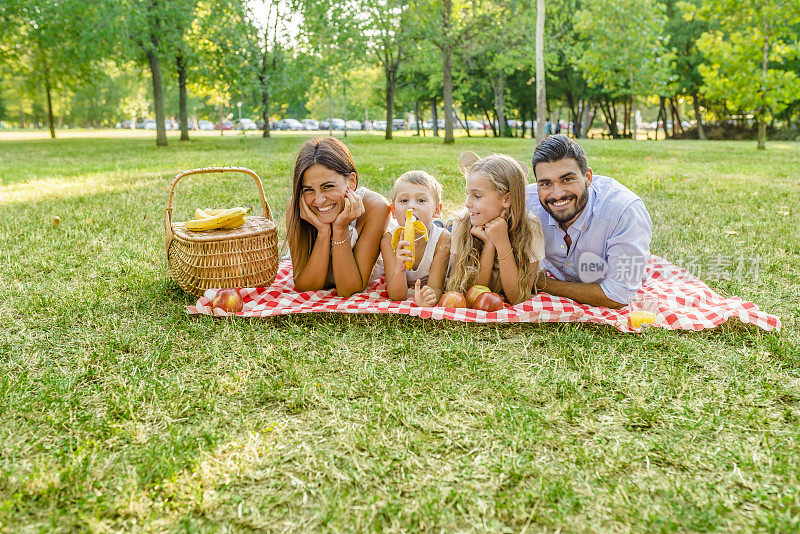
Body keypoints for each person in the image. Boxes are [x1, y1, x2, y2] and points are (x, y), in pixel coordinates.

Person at [526, 134, 652, 308]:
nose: (557, 194)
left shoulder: (624, 212)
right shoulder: (526, 202)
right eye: (545, 183)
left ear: (588, 177)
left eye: (567, 179)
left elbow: (618, 295)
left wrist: (543, 284)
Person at [285, 137, 390, 297]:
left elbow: (349, 289)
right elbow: (306, 286)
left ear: (352, 181)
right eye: (308, 189)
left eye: (328, 186)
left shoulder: (376, 207)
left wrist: (340, 229)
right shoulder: (298, 206)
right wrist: (323, 232)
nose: (319, 200)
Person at [448, 152, 545, 305]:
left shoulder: (531, 226)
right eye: (468, 194)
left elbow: (518, 298)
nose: (467, 203)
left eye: (477, 196)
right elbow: (471, 297)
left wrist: (502, 243)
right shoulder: (462, 222)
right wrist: (489, 245)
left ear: (507, 199)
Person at [380, 171, 451, 306]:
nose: (411, 206)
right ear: (394, 211)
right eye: (404, 201)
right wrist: (399, 267)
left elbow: (435, 287)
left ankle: (446, 223)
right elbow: (396, 296)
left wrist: (428, 297)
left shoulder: (443, 239)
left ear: (437, 209)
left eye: (421, 200)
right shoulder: (388, 241)